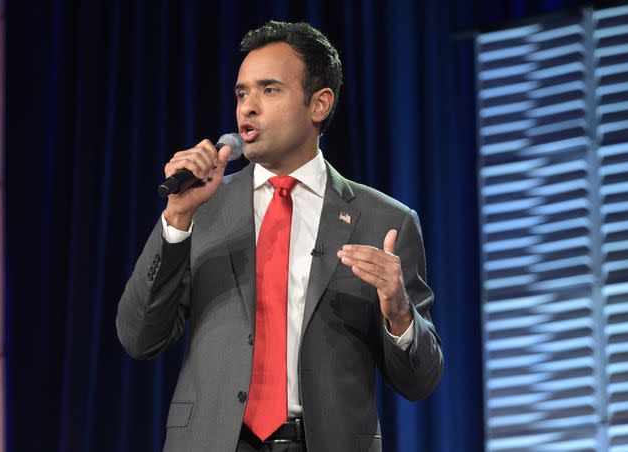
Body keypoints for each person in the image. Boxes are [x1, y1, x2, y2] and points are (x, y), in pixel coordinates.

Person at [117, 21, 443, 452]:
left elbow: (420, 381)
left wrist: (400, 314)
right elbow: (139, 337)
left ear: (319, 104)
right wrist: (176, 219)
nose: (247, 108)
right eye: (241, 93)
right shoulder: (203, 207)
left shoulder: (385, 220)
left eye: (269, 90)